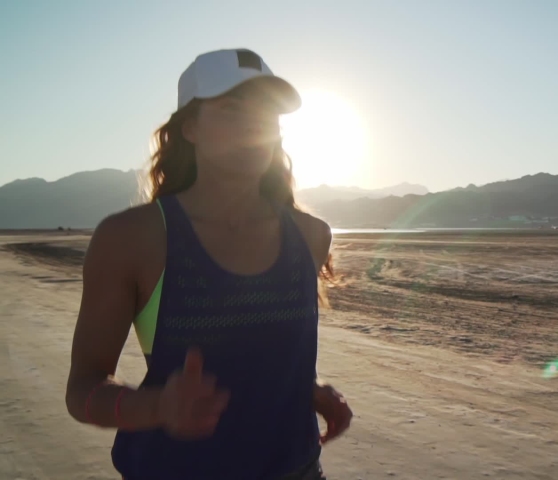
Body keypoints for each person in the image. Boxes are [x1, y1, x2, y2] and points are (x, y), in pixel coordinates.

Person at [64, 48, 352, 480]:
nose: (253, 126)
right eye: (232, 109)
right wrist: (156, 407)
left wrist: (305, 389)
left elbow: (258, 350)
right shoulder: (133, 239)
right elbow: (83, 388)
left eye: (266, 114)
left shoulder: (310, 236)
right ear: (190, 128)